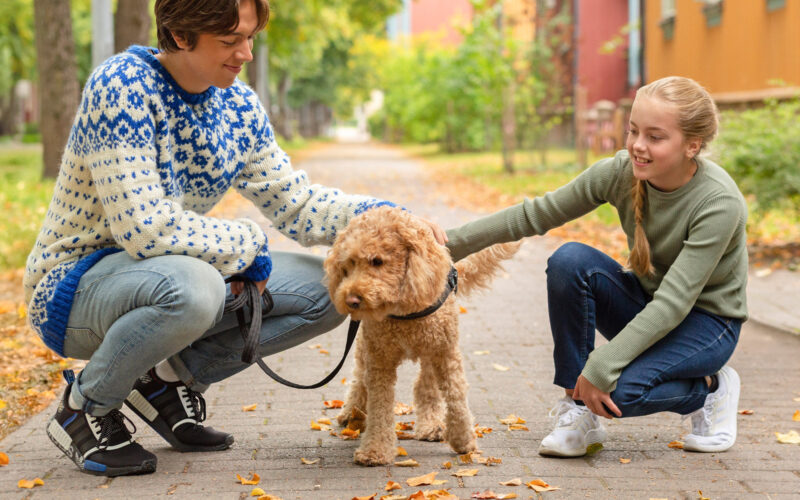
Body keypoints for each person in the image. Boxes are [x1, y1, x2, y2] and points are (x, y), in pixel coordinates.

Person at [25, 0, 446, 477]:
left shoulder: (237, 105)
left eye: (250, 38)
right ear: (182, 35)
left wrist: (387, 213)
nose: (245, 52)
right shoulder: (121, 86)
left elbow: (298, 203)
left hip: (164, 275)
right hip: (75, 287)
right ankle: (85, 407)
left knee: (330, 293)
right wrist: (246, 245)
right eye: (230, 41)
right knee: (196, 288)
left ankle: (164, 381)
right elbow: (143, 227)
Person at [445, 76, 747, 457]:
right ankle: (577, 412)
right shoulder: (620, 173)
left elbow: (674, 302)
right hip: (649, 304)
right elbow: (537, 213)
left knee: (618, 392)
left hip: (708, 324)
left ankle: (710, 389)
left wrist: (601, 365)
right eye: (633, 130)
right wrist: (447, 243)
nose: (638, 145)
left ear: (692, 145)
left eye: (655, 137)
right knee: (570, 261)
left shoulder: (718, 203)